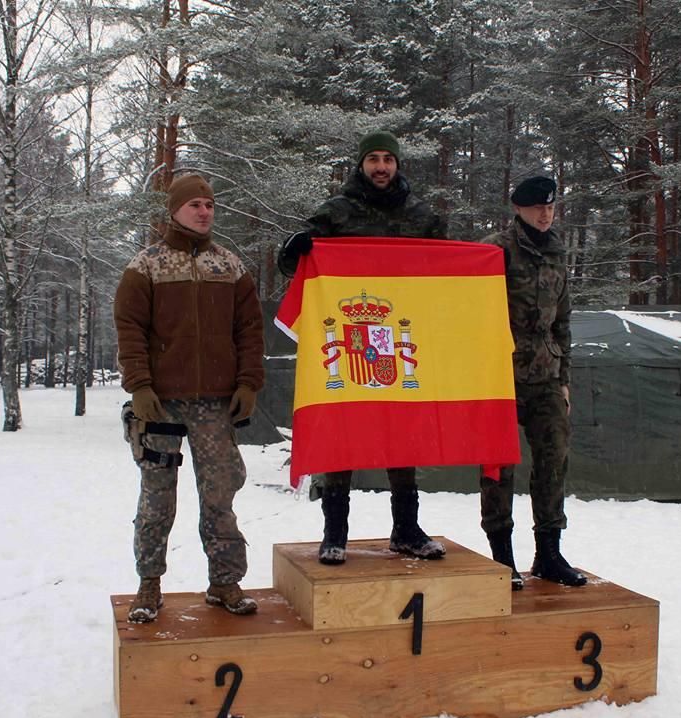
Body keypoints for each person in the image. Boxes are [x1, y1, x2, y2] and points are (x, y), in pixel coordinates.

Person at [278, 130, 447, 565]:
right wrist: (292, 248)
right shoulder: (336, 212)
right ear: (361, 164)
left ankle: (406, 529)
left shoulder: (422, 217)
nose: (381, 167)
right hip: (350, 332)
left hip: (404, 336)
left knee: (403, 428)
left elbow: (447, 270)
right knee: (344, 427)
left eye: (388, 159)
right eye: (372, 158)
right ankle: (335, 531)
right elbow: (297, 261)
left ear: (398, 164)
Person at [114, 173, 266, 622]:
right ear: (175, 210)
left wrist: (247, 383)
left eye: (210, 205)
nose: (204, 212)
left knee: (220, 495)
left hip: (216, 404)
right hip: (160, 404)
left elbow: (250, 332)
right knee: (157, 497)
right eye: (195, 205)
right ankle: (149, 583)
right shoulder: (146, 267)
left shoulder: (231, 267)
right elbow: (129, 331)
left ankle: (224, 582)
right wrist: (139, 386)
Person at [478, 175, 586, 590]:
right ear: (519, 209)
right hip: (500, 374)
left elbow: (562, 322)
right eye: (538, 207)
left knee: (553, 461)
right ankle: (502, 558)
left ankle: (549, 553)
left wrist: (564, 379)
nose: (546, 214)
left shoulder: (557, 251)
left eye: (551, 207)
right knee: (497, 467)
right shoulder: (495, 249)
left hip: (545, 376)